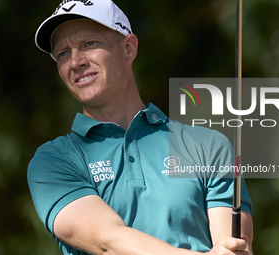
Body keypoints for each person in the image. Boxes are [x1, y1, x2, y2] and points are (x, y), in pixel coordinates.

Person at [27, 0, 254, 254]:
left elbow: (230, 246)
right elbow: (108, 241)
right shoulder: (53, 161)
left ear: (128, 48)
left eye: (89, 44)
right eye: (63, 54)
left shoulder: (208, 146)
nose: (75, 62)